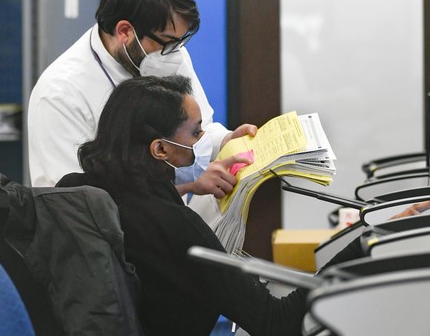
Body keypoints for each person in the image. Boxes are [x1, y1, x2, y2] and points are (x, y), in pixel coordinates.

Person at [56, 75, 307, 335]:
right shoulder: (179, 227)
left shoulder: (71, 191)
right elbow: (275, 321)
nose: (202, 140)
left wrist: (187, 187)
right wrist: (348, 253)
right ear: (160, 150)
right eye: (196, 132)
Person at [28, 0, 255, 199]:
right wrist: (185, 187)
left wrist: (227, 140)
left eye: (179, 42)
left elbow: (198, 130)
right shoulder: (60, 93)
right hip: (103, 232)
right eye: (167, 42)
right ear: (125, 31)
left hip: (165, 221)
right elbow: (71, 201)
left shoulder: (166, 55)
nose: (175, 53)